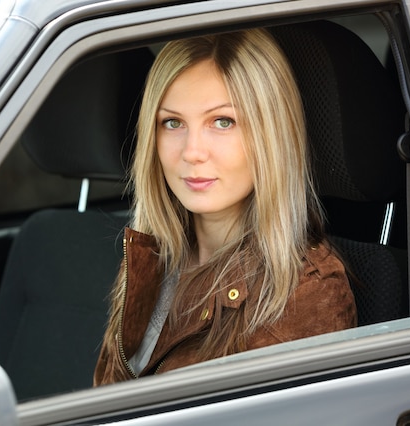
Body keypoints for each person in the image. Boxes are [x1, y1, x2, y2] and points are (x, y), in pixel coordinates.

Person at [94, 28, 357, 385]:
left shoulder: (303, 293)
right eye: (173, 123)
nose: (192, 152)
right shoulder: (152, 255)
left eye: (222, 122)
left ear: (271, 135)